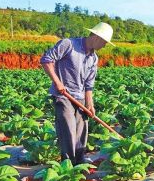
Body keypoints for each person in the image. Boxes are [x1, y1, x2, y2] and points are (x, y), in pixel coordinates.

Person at [40, 22, 115, 165]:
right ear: (96, 37)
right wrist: (57, 82)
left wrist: (90, 104)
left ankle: (79, 165)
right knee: (68, 129)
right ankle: (68, 165)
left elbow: (89, 84)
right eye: (104, 42)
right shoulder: (68, 44)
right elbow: (46, 60)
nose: (104, 46)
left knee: (81, 131)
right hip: (64, 96)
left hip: (80, 98)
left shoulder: (94, 58)